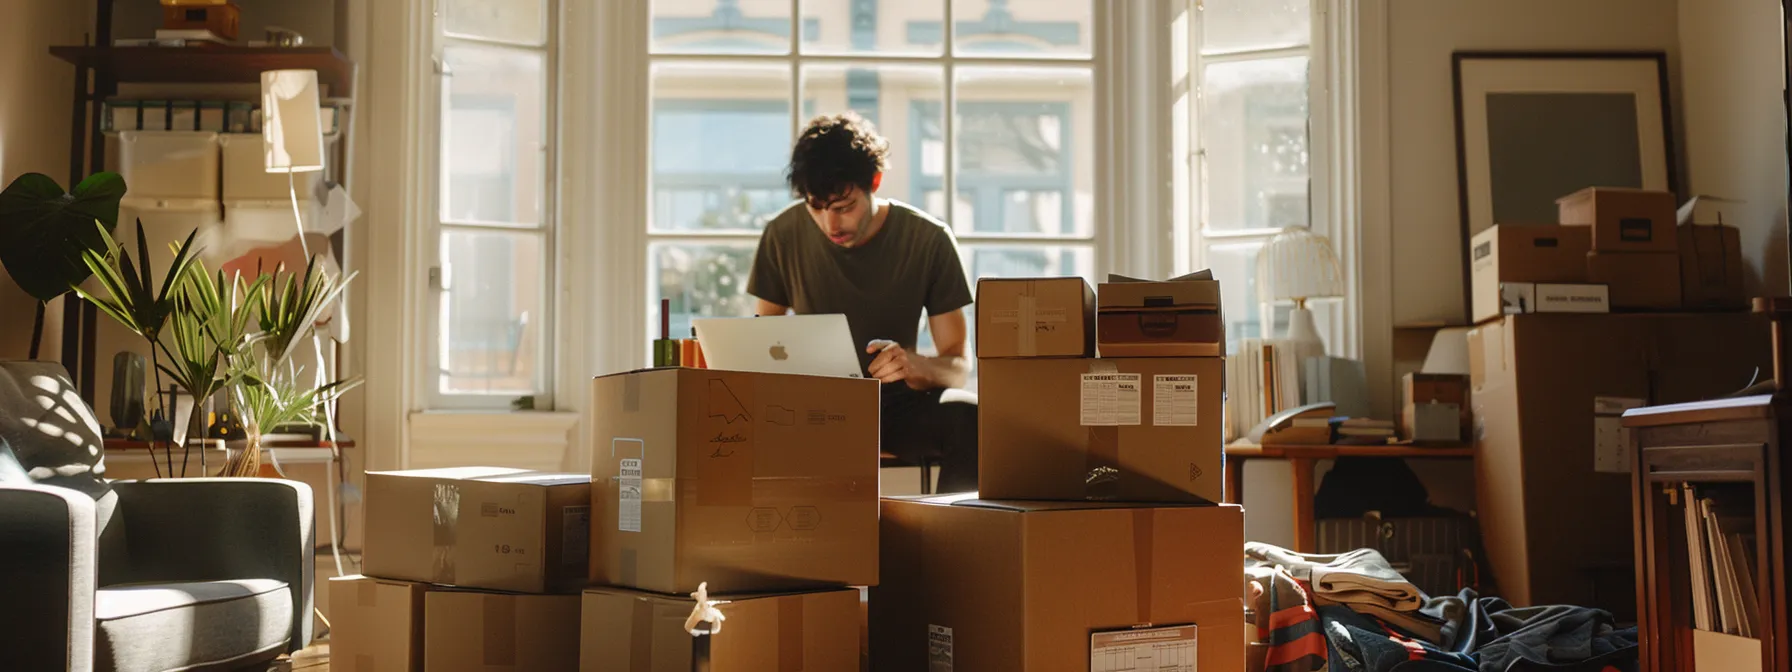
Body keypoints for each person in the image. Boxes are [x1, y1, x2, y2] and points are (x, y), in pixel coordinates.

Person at [746, 112, 979, 493]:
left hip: (895, 409)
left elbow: (957, 367)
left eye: (844, 207)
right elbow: (760, 346)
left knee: (971, 418)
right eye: (816, 207)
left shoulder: (929, 240)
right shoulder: (781, 234)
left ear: (874, 182)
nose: (830, 225)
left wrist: (913, 364)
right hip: (808, 411)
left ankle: (952, 529)